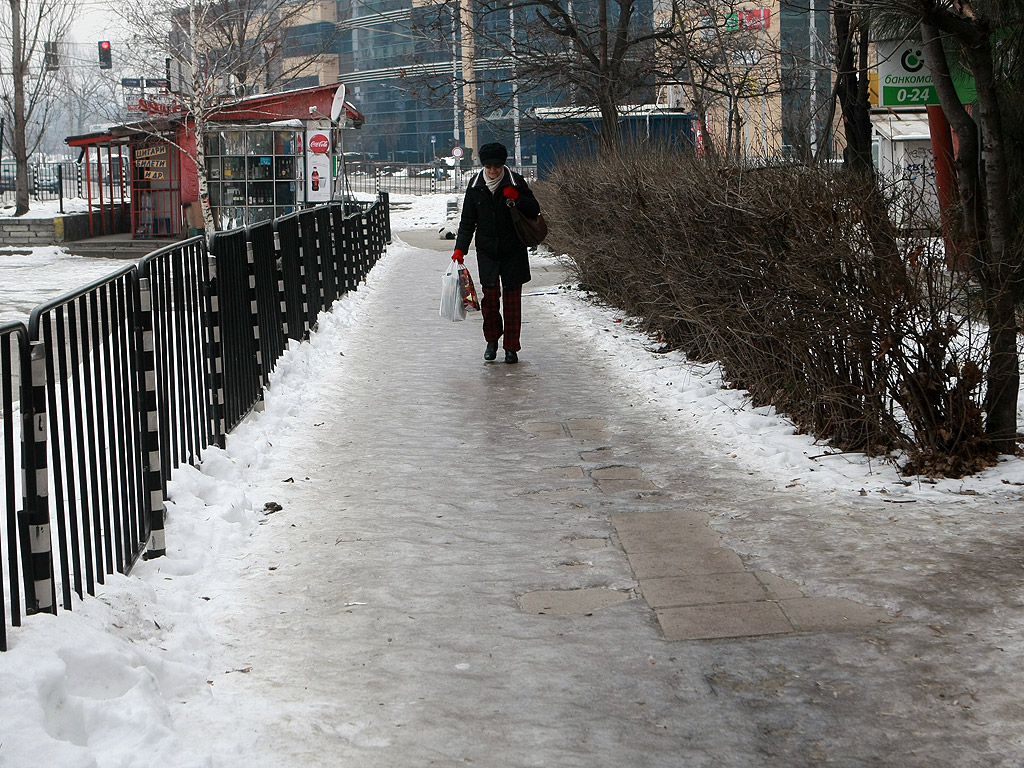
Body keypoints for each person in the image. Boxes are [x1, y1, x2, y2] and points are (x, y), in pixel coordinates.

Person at [451, 142, 541, 364]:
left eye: (497, 167)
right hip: (488, 251)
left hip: (513, 249)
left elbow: (534, 209)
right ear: (484, 166)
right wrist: (460, 249)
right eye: (489, 166)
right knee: (490, 300)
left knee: (512, 301)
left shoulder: (516, 182)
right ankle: (492, 340)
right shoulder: (474, 186)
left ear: (503, 165)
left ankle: (511, 347)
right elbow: (467, 222)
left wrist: (517, 197)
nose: (493, 171)